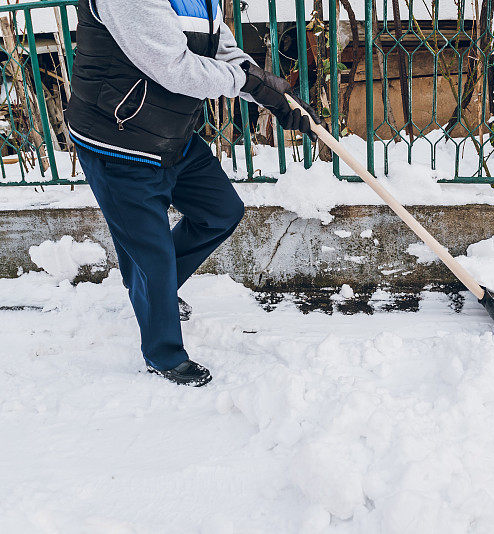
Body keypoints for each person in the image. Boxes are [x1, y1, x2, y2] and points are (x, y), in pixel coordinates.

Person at [65, 0, 320, 386]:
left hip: (171, 134)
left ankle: (154, 293)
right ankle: (163, 355)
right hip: (118, 143)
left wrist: (274, 95)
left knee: (220, 211)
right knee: (153, 258)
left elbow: (224, 52)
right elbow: (175, 68)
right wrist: (251, 85)